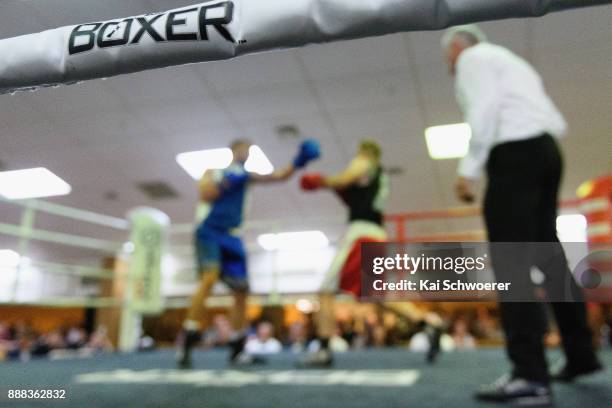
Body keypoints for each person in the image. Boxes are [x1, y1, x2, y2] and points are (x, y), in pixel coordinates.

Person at [441, 25, 602, 404]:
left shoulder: (473, 59)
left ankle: (529, 374)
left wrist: (469, 169)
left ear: (458, 47)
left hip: (513, 154)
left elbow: (484, 109)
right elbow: (551, 117)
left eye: (447, 56)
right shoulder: (512, 62)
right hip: (546, 151)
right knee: (549, 256)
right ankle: (581, 356)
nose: (448, 64)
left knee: (511, 258)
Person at [177, 138, 320, 368]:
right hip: (210, 231)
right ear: (232, 151)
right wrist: (227, 181)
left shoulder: (248, 175)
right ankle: (189, 334)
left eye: (249, 150)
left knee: (242, 290)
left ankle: (237, 347)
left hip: (233, 236)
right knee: (210, 278)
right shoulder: (214, 170)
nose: (246, 153)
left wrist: (298, 161)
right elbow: (205, 194)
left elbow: (279, 176)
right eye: (243, 149)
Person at [298, 140, 389, 367]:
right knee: (375, 295)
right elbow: (352, 191)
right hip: (377, 233)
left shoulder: (364, 162)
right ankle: (428, 323)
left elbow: (344, 178)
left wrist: (321, 181)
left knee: (325, 291)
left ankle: (324, 351)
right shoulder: (380, 176)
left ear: (365, 152)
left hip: (361, 234)